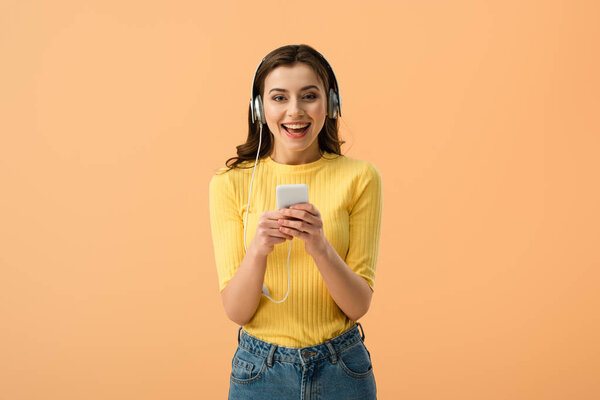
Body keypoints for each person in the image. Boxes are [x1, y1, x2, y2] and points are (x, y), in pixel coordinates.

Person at [208, 44, 382, 399]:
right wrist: (258, 249)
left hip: (342, 368)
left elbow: (358, 304)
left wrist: (319, 245)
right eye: (279, 97)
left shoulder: (361, 177)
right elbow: (237, 310)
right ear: (259, 108)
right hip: (259, 371)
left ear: (330, 104)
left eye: (309, 96)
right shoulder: (230, 184)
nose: (295, 111)